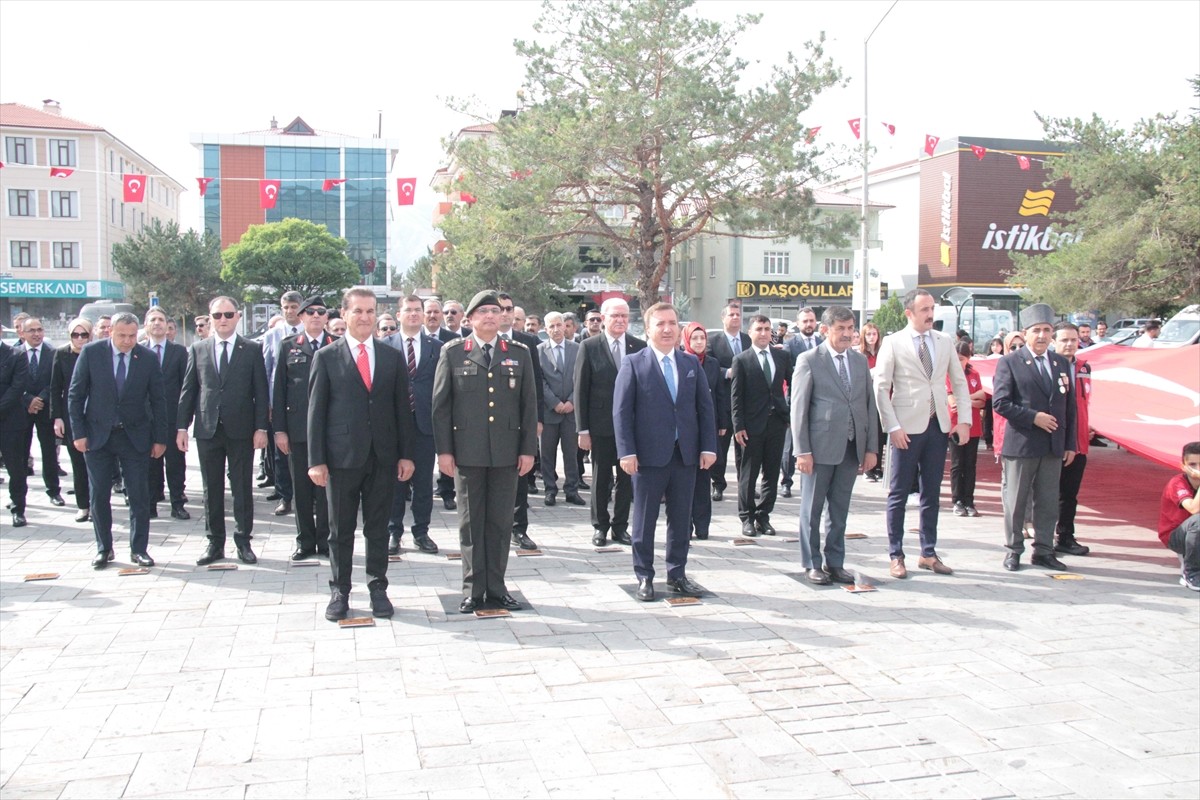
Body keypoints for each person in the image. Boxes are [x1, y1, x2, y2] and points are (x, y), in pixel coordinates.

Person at [308, 288, 416, 620]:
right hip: (341, 459)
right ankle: (340, 590)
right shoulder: (326, 357)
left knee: (378, 528)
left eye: (370, 311)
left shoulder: (391, 356)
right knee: (339, 530)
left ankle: (378, 588)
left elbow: (402, 409)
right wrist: (316, 460)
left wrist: (406, 454)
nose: (365, 317)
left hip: (382, 457)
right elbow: (316, 412)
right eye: (358, 311)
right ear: (344, 314)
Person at [432, 290, 538, 613]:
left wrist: (528, 450)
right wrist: (444, 452)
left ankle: (497, 586)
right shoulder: (453, 352)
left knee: (501, 522)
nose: (490, 316)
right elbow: (441, 407)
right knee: (470, 522)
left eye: (495, 311)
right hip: (467, 452)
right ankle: (473, 589)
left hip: (507, 453)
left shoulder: (518, 353)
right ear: (470, 319)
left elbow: (528, 406)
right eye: (483, 312)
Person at [614, 303, 717, 601]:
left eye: (672, 322)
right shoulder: (634, 363)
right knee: (645, 520)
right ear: (648, 329)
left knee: (681, 519)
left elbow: (704, 409)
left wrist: (708, 446)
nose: (668, 328)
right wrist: (626, 452)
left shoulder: (689, 364)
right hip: (647, 456)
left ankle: (677, 574)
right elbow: (621, 412)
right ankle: (644, 575)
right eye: (660, 323)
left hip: (685, 455)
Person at [874, 289, 972, 579]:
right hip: (905, 427)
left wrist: (963, 419)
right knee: (898, 493)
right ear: (909, 313)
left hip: (937, 425)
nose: (930, 314)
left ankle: (928, 553)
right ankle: (896, 555)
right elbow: (881, 387)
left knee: (931, 493)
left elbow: (959, 382)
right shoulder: (893, 343)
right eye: (924, 310)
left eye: (932, 308)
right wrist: (892, 426)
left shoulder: (944, 342)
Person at [67, 312, 168, 569]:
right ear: (111, 331)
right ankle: (104, 548)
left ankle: (139, 549)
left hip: (134, 435)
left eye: (133, 336)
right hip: (98, 435)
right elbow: (76, 395)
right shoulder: (91, 353)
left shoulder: (146, 357)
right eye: (122, 335)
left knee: (138, 494)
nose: (127, 341)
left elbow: (159, 400)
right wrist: (78, 433)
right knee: (99, 493)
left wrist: (160, 438)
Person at [177, 296, 270, 566]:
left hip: (241, 429)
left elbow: (261, 392)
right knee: (211, 488)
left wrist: (261, 427)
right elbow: (189, 391)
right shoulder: (198, 349)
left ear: (238, 316)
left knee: (241, 487)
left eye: (228, 314)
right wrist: (182, 426)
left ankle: (243, 541)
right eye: (217, 316)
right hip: (208, 428)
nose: (223, 320)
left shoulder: (251, 349)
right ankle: (214, 542)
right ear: (210, 318)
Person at [791, 306, 878, 585]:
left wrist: (871, 448)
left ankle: (835, 562)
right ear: (825, 330)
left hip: (851, 447)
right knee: (812, 510)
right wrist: (802, 450)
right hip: (818, 449)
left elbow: (869, 405)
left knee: (839, 510)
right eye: (840, 328)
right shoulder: (809, 360)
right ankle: (812, 563)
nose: (847, 334)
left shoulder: (860, 361)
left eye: (850, 328)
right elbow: (799, 409)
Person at [991, 304, 1077, 572]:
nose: (1042, 336)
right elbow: (1000, 403)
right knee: (1016, 502)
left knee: (1048, 501)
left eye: (1047, 330)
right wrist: (1033, 417)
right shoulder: (1010, 362)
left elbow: (1069, 407)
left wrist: (1070, 443)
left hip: (1053, 446)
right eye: (1036, 330)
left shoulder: (1060, 363)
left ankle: (1043, 550)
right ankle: (1014, 549)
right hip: (1022, 443)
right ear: (1025, 333)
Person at [576, 297, 646, 546]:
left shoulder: (639, 346)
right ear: (603, 319)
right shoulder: (589, 346)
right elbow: (581, 390)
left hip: (631, 427)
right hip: (601, 426)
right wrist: (582, 429)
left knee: (627, 477)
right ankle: (600, 526)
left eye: (624, 316)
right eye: (615, 316)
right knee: (601, 476)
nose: (620, 320)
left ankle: (620, 526)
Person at [272, 296, 337, 561]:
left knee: (325, 489)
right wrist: (279, 430)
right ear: (301, 317)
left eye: (321, 312)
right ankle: (305, 542)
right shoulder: (289, 346)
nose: (316, 316)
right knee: (300, 488)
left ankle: (325, 541)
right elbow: (279, 391)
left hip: (330, 430)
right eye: (310, 312)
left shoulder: (336, 344)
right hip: (297, 428)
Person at [382, 295, 442, 555]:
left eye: (418, 310)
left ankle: (421, 532)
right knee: (395, 484)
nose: (415, 314)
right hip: (393, 426)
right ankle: (394, 532)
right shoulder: (383, 346)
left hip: (425, 425)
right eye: (409, 310)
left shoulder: (437, 347)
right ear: (399, 314)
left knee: (423, 483)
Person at [731, 315, 791, 537]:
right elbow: (736, 396)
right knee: (749, 474)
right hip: (751, 426)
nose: (764, 333)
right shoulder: (742, 359)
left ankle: (763, 516)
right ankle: (746, 517)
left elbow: (793, 384)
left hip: (776, 423)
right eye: (759, 329)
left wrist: (789, 414)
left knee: (772, 473)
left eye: (767, 329)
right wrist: (738, 426)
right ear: (750, 333)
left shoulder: (782, 356)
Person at [496, 293, 545, 547]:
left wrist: (537, 419)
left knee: (521, 478)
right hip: (490, 424)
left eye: (509, 308)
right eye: (500, 309)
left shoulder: (527, 343)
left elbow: (535, 383)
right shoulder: (480, 342)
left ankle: (519, 529)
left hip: (518, 423)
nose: (505, 313)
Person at [682, 322, 729, 541]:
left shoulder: (712, 364)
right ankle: (686, 524)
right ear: (687, 341)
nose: (699, 342)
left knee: (704, 478)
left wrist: (722, 424)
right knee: (686, 479)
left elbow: (720, 395)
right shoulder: (680, 361)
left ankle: (702, 525)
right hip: (686, 428)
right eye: (695, 338)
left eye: (702, 338)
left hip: (708, 427)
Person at [142, 308, 190, 520]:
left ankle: (177, 503)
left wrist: (184, 422)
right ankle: (150, 503)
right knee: (150, 462)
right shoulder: (138, 351)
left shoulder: (179, 352)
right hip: (145, 419)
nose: (157, 323)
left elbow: (186, 388)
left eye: (161, 319)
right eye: (153, 320)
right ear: (146, 325)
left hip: (172, 417)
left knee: (175, 463)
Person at [262, 292, 305, 515]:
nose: (289, 311)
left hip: (303, 405)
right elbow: (267, 371)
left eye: (294, 306)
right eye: (286, 307)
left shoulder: (309, 333)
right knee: (281, 453)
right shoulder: (272, 336)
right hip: (279, 403)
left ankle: (308, 497)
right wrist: (268, 405)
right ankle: (285, 496)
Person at [537, 312, 585, 507]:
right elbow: (539, 381)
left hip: (571, 412)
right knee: (547, 454)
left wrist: (572, 401)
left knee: (571, 454)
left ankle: (572, 490)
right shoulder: (539, 350)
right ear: (545, 329)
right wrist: (554, 402)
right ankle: (550, 490)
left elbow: (582, 377)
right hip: (550, 412)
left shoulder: (578, 348)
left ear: (566, 326)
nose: (556, 329)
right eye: (552, 326)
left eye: (559, 325)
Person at [1052, 323, 1092, 557]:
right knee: (1047, 493)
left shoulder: (1084, 368)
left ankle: (1065, 536)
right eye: (1064, 340)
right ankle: (1044, 539)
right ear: (1054, 342)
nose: (1069, 344)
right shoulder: (1048, 367)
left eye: (1073, 340)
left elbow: (1084, 403)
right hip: (1055, 441)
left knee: (1069, 494)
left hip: (1078, 442)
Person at [706, 302, 751, 502]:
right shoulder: (713, 341)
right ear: (723, 318)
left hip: (744, 402)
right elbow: (710, 367)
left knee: (745, 447)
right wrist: (727, 373)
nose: (735, 317)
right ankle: (718, 484)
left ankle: (746, 485)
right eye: (731, 314)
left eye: (738, 314)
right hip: (723, 400)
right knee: (721, 447)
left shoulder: (748, 340)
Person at [51, 318, 93, 522]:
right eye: (75, 335)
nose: (79, 339)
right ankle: (83, 505)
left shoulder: (96, 353)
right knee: (78, 463)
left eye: (83, 334)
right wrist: (57, 417)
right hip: (71, 417)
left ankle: (97, 506)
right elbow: (55, 387)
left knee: (95, 464)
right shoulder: (61, 354)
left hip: (95, 416)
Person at [18, 318, 63, 507]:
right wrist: (28, 399)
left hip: (46, 409)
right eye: (31, 330)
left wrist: (41, 399)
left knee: (49, 452)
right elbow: (12, 382)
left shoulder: (53, 354)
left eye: (39, 330)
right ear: (22, 333)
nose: (36, 334)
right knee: (19, 454)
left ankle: (54, 491)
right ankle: (18, 495)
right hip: (21, 409)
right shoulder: (15, 354)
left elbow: (55, 382)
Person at [948, 341, 986, 517]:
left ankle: (969, 501)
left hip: (973, 426)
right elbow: (952, 401)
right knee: (957, 464)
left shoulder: (974, 374)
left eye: (961, 359)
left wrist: (965, 399)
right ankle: (957, 500)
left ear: (968, 358)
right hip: (954, 424)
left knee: (970, 465)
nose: (958, 362)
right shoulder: (947, 374)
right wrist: (970, 399)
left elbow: (982, 401)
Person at [1160, 442, 1200, 591]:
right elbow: (1194, 509)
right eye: (1192, 464)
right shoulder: (1177, 483)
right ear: (1183, 465)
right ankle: (1191, 572)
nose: (1197, 469)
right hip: (1177, 537)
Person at [1, 339, 31, 527]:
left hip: (10, 421)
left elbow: (17, 387)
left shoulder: (16, 355)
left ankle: (18, 509)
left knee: (16, 469)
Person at [857, 322, 885, 482]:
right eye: (868, 334)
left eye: (874, 334)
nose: (872, 337)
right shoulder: (860, 355)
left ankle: (878, 467)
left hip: (881, 396)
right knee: (868, 433)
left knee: (880, 434)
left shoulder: (882, 353)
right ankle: (867, 469)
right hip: (866, 397)